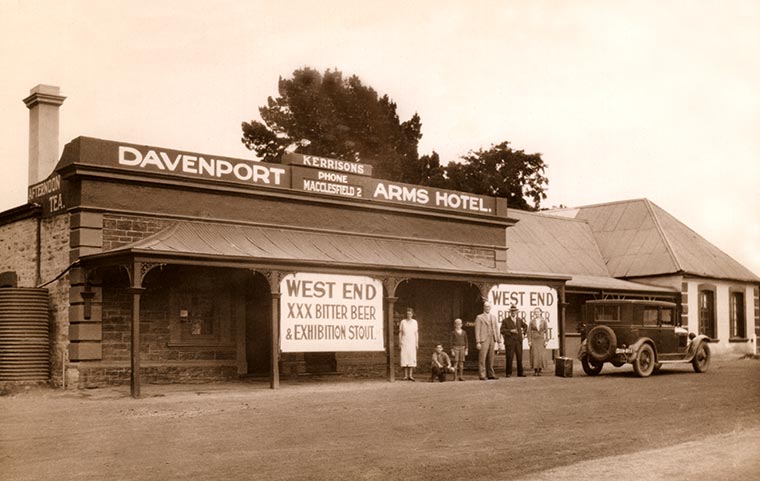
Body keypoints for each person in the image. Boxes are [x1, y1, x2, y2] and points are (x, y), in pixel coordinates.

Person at [500, 304, 527, 377]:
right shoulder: (505, 320)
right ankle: (508, 373)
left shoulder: (519, 320)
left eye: (514, 311)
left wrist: (524, 333)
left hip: (518, 342)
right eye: (512, 311)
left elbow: (525, 326)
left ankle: (520, 373)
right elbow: (502, 330)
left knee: (519, 357)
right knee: (509, 357)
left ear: (516, 312)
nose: (513, 312)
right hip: (509, 342)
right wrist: (510, 331)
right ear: (510, 312)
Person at [474, 302, 499, 380]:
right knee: (482, 357)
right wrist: (478, 342)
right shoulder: (479, 317)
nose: (487, 308)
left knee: (491, 357)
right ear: (484, 307)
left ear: (490, 307)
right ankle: (482, 374)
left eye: (488, 306)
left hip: (492, 338)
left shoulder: (493, 317)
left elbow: (496, 328)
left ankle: (491, 374)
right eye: (486, 306)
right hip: (483, 339)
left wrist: (498, 340)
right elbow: (477, 330)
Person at [399, 307, 419, 381]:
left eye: (410, 314)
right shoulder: (403, 322)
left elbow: (416, 333)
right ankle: (405, 375)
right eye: (407, 314)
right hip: (405, 341)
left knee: (411, 357)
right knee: (404, 357)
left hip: (412, 342)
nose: (409, 315)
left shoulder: (415, 322)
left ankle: (410, 375)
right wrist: (400, 342)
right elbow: (400, 333)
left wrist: (416, 342)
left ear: (412, 314)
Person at [528, 308, 549, 376]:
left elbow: (546, 331)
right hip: (534, 339)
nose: (536, 313)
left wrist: (546, 341)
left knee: (540, 355)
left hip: (541, 339)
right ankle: (535, 370)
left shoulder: (544, 321)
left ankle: (539, 370)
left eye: (538, 312)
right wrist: (529, 341)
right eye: (535, 312)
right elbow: (529, 332)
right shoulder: (531, 321)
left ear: (540, 312)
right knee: (534, 354)